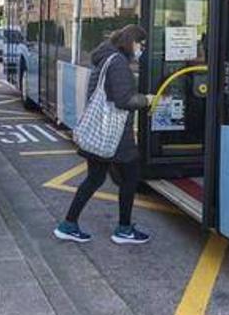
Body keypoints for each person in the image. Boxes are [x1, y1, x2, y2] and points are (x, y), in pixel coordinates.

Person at [55, 24, 156, 245]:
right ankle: (124, 229)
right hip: (115, 134)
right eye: (142, 45)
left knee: (95, 178)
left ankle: (68, 225)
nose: (142, 50)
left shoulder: (106, 58)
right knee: (130, 178)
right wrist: (147, 99)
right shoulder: (118, 63)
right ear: (132, 42)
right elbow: (123, 100)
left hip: (101, 132)